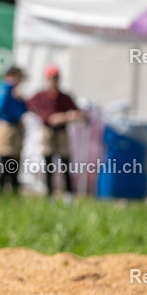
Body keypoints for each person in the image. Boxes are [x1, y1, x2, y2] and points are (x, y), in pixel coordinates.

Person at [28, 64, 84, 201]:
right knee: (48, 163)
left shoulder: (65, 97)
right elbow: (28, 106)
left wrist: (63, 117)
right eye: (51, 78)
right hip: (47, 131)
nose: (54, 80)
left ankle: (68, 194)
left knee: (65, 162)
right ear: (47, 79)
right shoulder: (40, 96)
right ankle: (50, 194)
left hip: (62, 132)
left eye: (56, 77)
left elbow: (78, 114)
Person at [0, 66, 27, 195]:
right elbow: (1, 106)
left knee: (14, 162)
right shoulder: (5, 88)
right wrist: (18, 116)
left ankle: (13, 191)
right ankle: (0, 192)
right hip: (7, 128)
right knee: (5, 160)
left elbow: (23, 107)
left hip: (15, 130)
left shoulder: (14, 91)